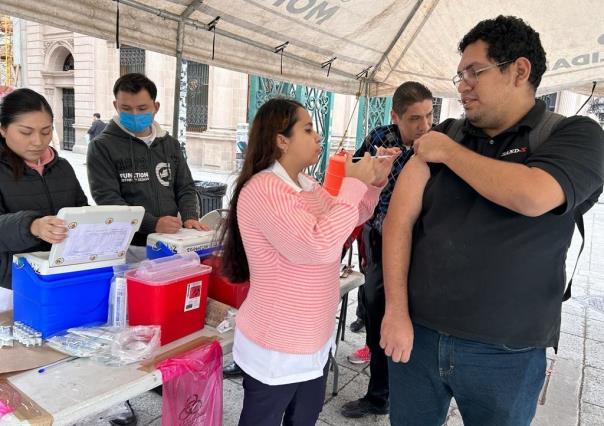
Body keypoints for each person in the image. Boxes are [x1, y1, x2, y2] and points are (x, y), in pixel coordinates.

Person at [380, 15, 604, 426]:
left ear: (519, 70)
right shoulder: (446, 133)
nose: (461, 85)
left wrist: (447, 153)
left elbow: (533, 194)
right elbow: (399, 220)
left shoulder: (574, 135)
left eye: (473, 72)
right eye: (459, 73)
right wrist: (395, 311)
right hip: (419, 337)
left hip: (507, 356)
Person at [220, 98, 398, 426]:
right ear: (281, 139)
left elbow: (348, 217)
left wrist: (372, 184)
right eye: (308, 129)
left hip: (312, 341)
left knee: (303, 418)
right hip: (277, 346)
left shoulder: (308, 184)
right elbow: (319, 246)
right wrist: (353, 182)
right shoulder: (263, 190)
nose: (318, 137)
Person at [341, 82, 434, 418]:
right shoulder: (381, 138)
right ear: (396, 117)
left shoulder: (440, 146)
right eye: (414, 119)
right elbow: (351, 178)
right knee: (379, 316)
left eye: (429, 115)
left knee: (417, 323)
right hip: (378, 242)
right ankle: (379, 395)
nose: (424, 126)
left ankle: (414, 392)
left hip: (422, 251)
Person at [87, 73, 206, 263]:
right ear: (115, 106)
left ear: (155, 107)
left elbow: (185, 187)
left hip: (169, 241)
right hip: (129, 246)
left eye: (142, 108)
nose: (134, 115)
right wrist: (152, 223)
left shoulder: (170, 144)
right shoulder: (101, 146)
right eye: (126, 108)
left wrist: (190, 216)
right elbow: (108, 199)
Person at [0, 88, 88, 311]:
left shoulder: (63, 167)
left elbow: (80, 209)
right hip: (10, 286)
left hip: (60, 278)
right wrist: (32, 226)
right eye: (26, 132)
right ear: (3, 128)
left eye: (46, 131)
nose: (37, 141)